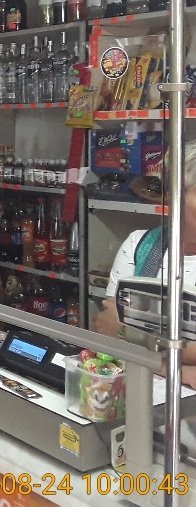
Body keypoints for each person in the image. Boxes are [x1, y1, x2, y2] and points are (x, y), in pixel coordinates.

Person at [94, 140, 196, 386]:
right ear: (173, 195)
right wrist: (175, 367)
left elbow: (121, 330)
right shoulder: (141, 246)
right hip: (144, 393)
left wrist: (138, 339)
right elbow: (107, 328)